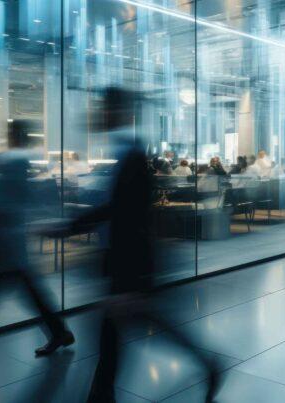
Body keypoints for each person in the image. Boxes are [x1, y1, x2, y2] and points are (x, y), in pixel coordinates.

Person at [54, 87, 219, 403]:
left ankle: (204, 364)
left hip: (128, 262)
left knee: (131, 327)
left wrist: (71, 226)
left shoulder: (130, 154)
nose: (97, 113)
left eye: (103, 107)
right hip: (122, 260)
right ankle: (102, 393)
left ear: (116, 112)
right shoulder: (124, 152)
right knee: (118, 330)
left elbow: (125, 213)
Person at [0, 120, 74, 375]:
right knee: (23, 291)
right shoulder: (19, 161)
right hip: (11, 241)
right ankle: (60, 332)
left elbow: (3, 203)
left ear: (14, 135)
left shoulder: (13, 161)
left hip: (5, 241)